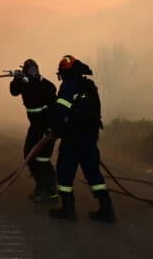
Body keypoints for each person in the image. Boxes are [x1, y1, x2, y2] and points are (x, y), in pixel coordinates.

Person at [49, 54, 116, 222]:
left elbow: (60, 112)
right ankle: (107, 210)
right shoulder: (89, 86)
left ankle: (68, 210)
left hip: (73, 138)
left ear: (65, 72)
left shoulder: (68, 86)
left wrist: (54, 129)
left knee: (64, 173)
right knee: (94, 174)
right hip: (90, 138)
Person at [9, 58, 58, 203]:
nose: (32, 72)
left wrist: (50, 129)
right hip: (35, 126)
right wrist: (17, 78)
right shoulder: (24, 83)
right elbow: (14, 91)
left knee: (42, 159)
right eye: (29, 70)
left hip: (46, 127)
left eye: (34, 69)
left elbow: (53, 93)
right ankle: (41, 187)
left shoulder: (44, 84)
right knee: (29, 155)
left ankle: (49, 192)